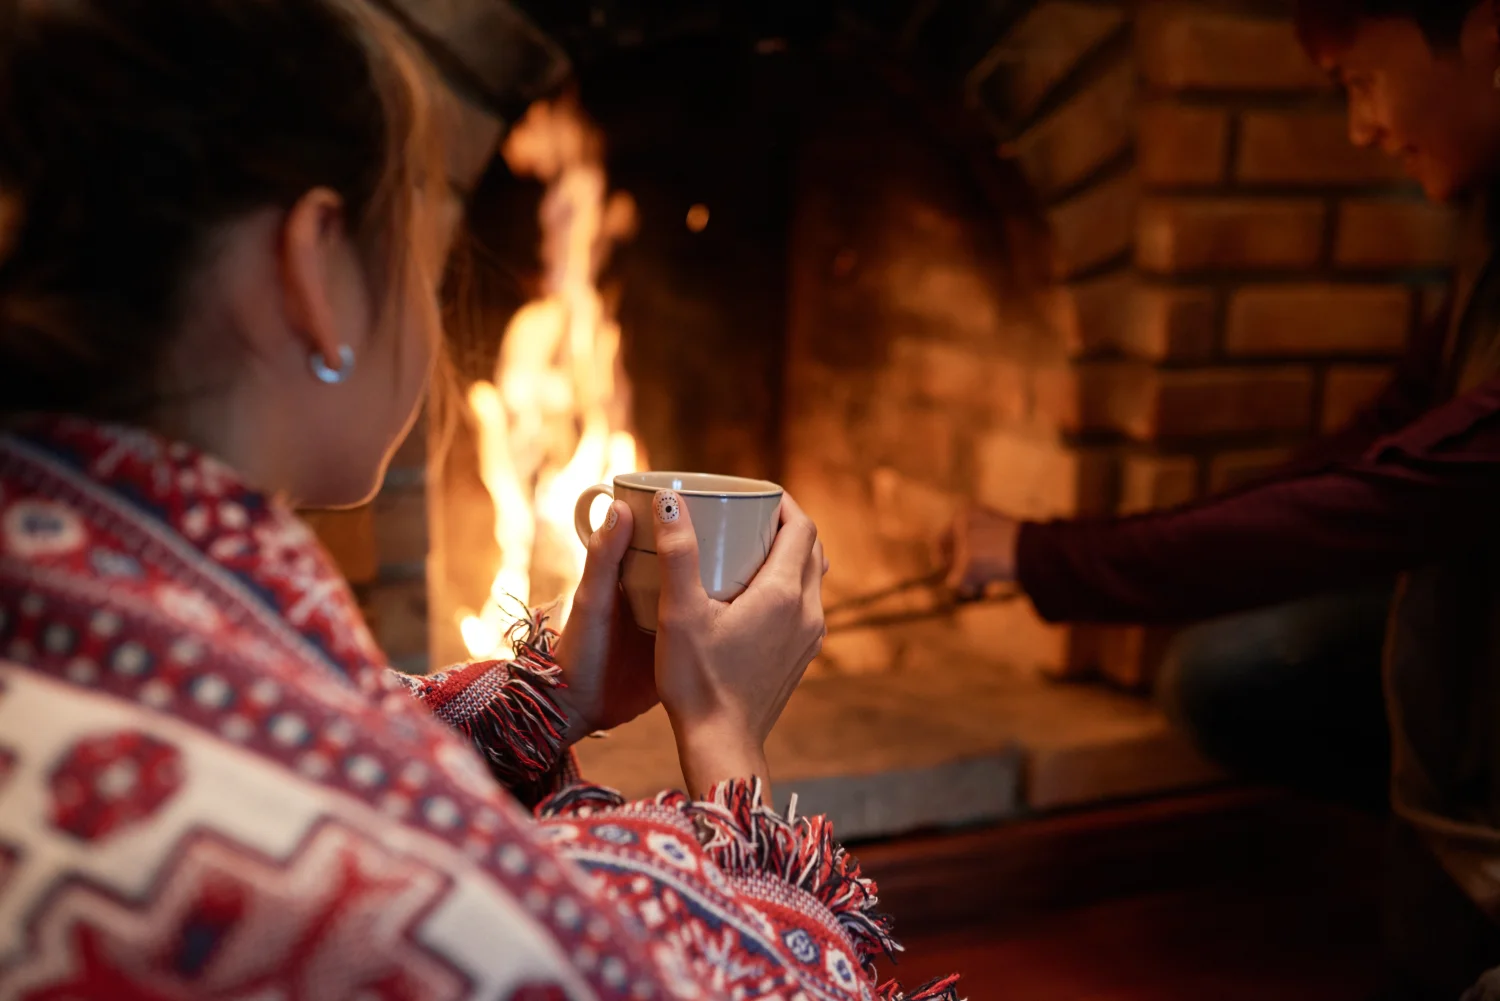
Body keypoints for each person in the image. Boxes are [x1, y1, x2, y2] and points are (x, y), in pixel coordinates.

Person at [0, 2, 960, 999]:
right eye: (419, 255)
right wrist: (724, 734)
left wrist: (552, 700)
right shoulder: (394, 899)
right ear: (314, 268)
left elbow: (333, 731)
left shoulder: (86, 606)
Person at [948, 0, 1500, 995]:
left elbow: (1387, 498)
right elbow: (1389, 434)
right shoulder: (1489, 213)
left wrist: (1050, 558)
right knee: (1230, 668)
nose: (1362, 130)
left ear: (1492, 37)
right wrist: (1060, 548)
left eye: (1360, 84)